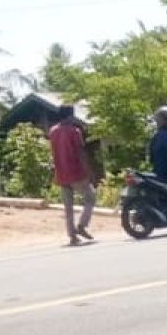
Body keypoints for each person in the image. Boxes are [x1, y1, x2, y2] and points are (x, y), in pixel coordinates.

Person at [48, 105, 96, 246]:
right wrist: (89, 171)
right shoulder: (74, 131)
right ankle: (82, 225)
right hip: (76, 172)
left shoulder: (53, 131)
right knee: (90, 197)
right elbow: (81, 153)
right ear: (70, 116)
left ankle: (72, 236)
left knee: (68, 206)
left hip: (61, 173)